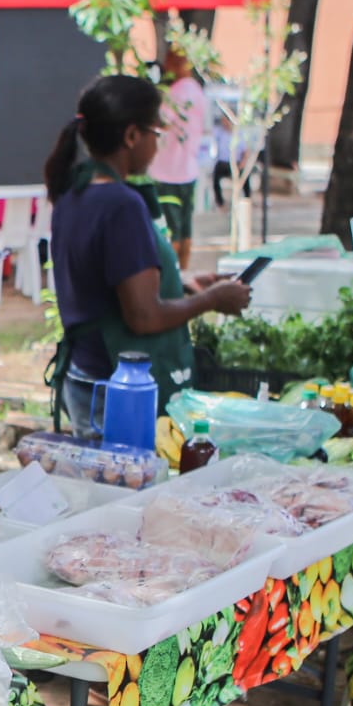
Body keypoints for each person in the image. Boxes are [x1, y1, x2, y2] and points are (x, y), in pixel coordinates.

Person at [43, 75, 251, 438]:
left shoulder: (73, 193)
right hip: (115, 390)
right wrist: (211, 300)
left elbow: (103, 281)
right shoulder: (122, 204)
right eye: (157, 131)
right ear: (132, 136)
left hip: (83, 378)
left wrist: (182, 284)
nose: (159, 142)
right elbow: (143, 316)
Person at [153, 46, 208, 267]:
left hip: (168, 169)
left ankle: (173, 269)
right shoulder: (197, 91)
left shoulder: (175, 93)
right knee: (185, 223)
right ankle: (184, 265)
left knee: (171, 222)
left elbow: (163, 123)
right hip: (189, 168)